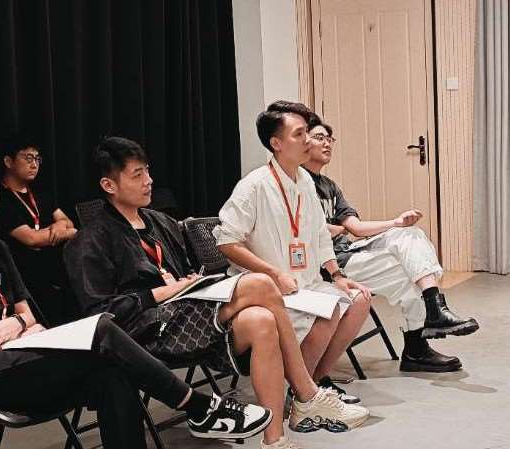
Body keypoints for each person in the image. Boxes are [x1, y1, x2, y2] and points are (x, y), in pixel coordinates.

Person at [0, 141, 274, 449]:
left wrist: (16, 325)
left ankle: (198, 409)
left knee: (113, 373)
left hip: (19, 353)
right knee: (101, 330)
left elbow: (28, 315)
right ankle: (197, 406)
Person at [63, 137, 368, 449]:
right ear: (109, 185)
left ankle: (274, 439)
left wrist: (189, 282)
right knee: (261, 284)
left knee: (261, 320)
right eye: (137, 175)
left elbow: (186, 273)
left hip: (186, 314)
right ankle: (306, 393)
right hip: (147, 331)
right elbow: (100, 314)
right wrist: (162, 292)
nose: (148, 181)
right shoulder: (90, 240)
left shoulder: (160, 222)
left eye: (148, 171)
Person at [215, 101, 372, 399]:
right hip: (273, 291)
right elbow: (227, 242)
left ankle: (315, 382)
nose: (308, 140)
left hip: (306, 283)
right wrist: (273, 273)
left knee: (359, 299)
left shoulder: (305, 181)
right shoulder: (254, 186)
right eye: (299, 134)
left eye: (307, 133)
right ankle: (303, 395)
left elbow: (320, 235)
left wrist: (337, 275)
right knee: (327, 313)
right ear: (276, 144)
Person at [301, 114, 479, 372]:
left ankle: (433, 310)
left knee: (409, 234)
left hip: (347, 251)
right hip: (329, 266)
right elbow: (309, 229)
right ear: (303, 141)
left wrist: (396, 222)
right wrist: (333, 228)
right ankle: (418, 344)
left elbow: (356, 228)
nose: (327, 143)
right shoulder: (297, 182)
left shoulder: (330, 186)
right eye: (320, 137)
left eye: (330, 139)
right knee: (410, 273)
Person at [0, 138, 77, 325]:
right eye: (28, 158)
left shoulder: (40, 192)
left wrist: (60, 226)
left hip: (59, 267)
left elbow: (67, 221)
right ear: (8, 161)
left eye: (37, 159)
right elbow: (31, 238)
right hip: (27, 274)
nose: (34, 164)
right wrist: (69, 232)